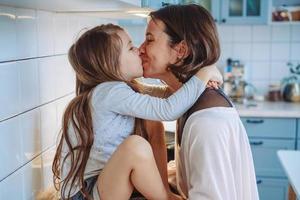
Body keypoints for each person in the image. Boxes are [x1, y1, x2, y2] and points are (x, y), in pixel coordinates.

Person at [52, 24, 222, 200]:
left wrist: (197, 85)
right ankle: (167, 198)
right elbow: (168, 109)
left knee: (150, 129)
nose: (139, 51)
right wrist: (204, 73)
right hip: (85, 193)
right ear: (110, 62)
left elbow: (166, 95)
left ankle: (165, 193)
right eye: (131, 48)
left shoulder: (114, 91)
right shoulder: (110, 92)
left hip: (100, 186)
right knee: (135, 146)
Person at [139, 4, 259, 200]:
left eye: (149, 40)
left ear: (181, 50)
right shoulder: (188, 100)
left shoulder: (207, 122)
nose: (140, 49)